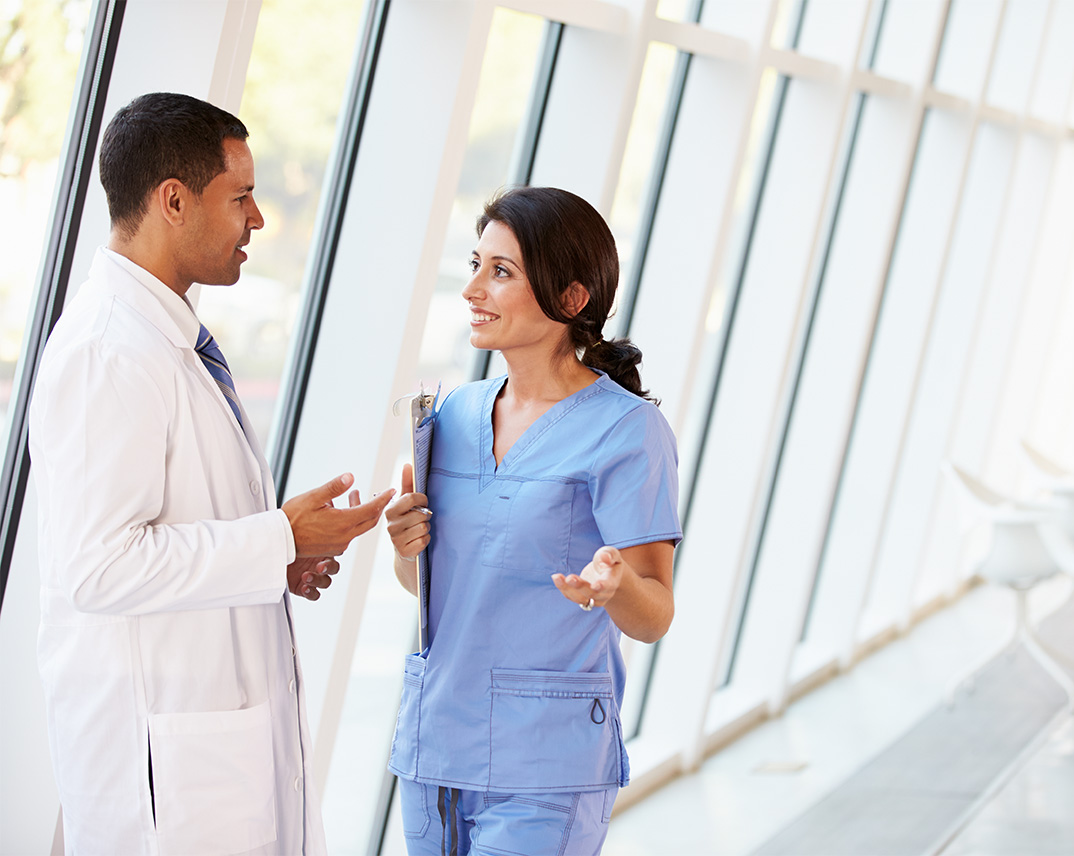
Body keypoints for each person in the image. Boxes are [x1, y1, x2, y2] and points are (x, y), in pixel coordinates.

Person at [27, 92, 395, 855]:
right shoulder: (108, 351)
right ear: (173, 201)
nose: (257, 220)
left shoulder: (168, 337)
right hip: (163, 778)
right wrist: (275, 542)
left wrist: (276, 561)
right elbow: (99, 568)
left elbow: (168, 535)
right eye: (241, 197)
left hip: (206, 758)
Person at [384, 186, 682, 854]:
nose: (472, 291)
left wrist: (614, 587)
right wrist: (408, 548)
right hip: (435, 754)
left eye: (501, 272)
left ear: (571, 298)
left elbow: (654, 613)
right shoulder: (454, 415)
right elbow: (437, 588)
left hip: (546, 769)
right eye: (475, 264)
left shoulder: (628, 432)